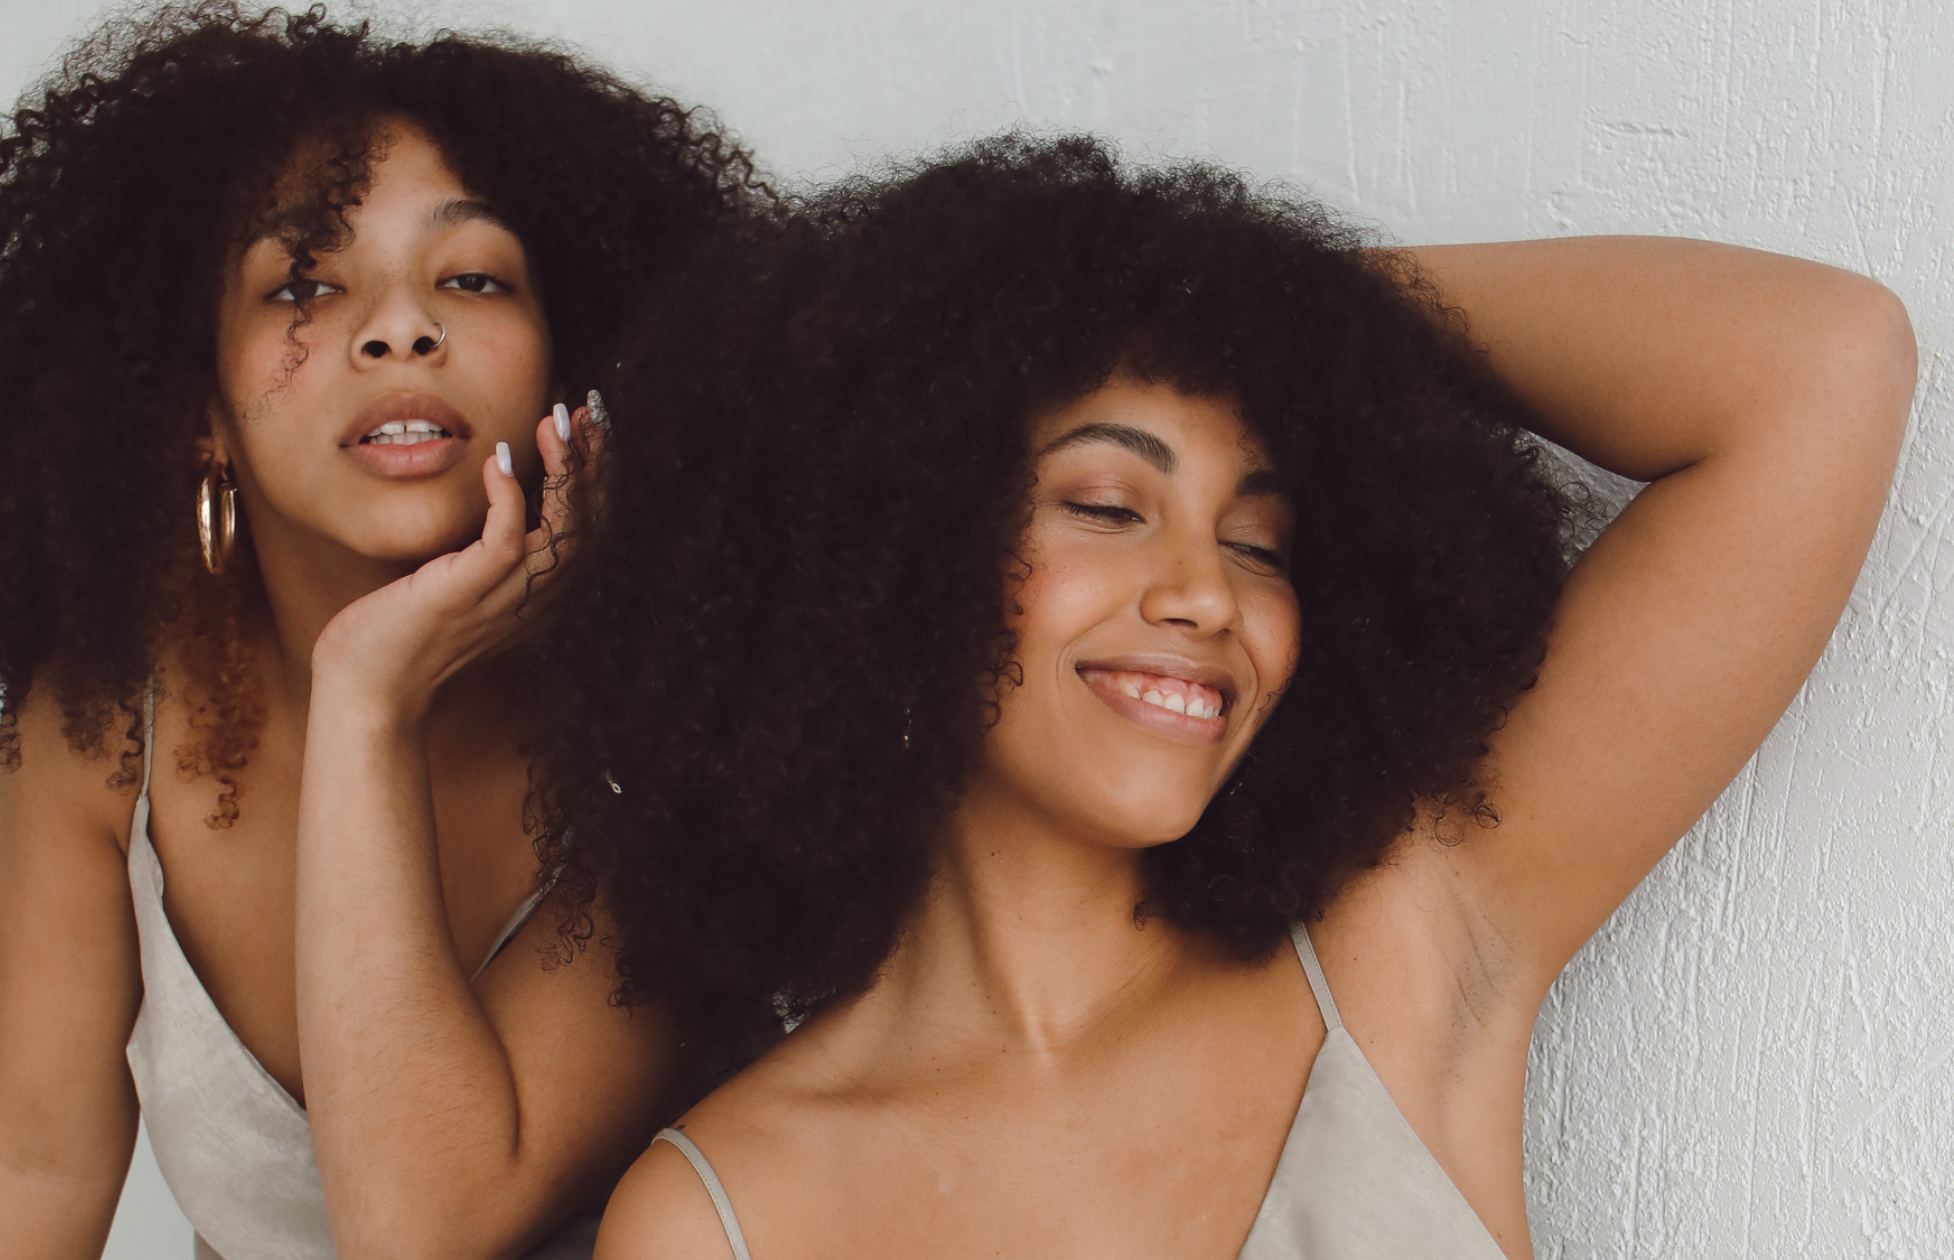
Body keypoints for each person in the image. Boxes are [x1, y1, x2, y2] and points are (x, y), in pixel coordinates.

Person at [527, 136, 1915, 1258]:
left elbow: (1821, 367)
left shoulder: (1401, 942)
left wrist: (1240, 303)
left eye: (1260, 540)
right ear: (888, 551)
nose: (1209, 594)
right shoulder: (723, 1216)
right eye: (1109, 505)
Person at [0, 6, 761, 1257]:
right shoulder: (110, 713)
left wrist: (363, 693)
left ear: (571, 366)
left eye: (472, 277)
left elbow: (427, 1224)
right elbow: (33, 1156)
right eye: (304, 284)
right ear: (199, 407)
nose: (400, 329)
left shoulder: (678, 714)